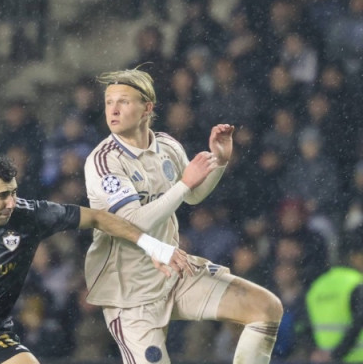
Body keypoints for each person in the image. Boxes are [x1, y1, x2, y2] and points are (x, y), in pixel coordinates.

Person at [0, 152, 199, 364]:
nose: (12, 202)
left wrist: (153, 245)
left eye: (13, 191)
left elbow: (98, 218)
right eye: (2, 195)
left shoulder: (31, 215)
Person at [83, 67, 283, 364]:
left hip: (174, 274)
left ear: (147, 108)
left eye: (123, 101)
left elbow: (193, 195)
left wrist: (219, 162)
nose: (113, 109)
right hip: (129, 294)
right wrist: (184, 183)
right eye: (109, 102)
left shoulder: (166, 145)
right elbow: (132, 224)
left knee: (265, 308)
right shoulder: (104, 161)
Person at [306, 239, 363, 362]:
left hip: (324, 359)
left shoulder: (317, 286)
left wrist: (313, 351)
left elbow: (304, 325)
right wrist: (338, 352)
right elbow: (359, 322)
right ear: (354, 257)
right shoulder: (357, 283)